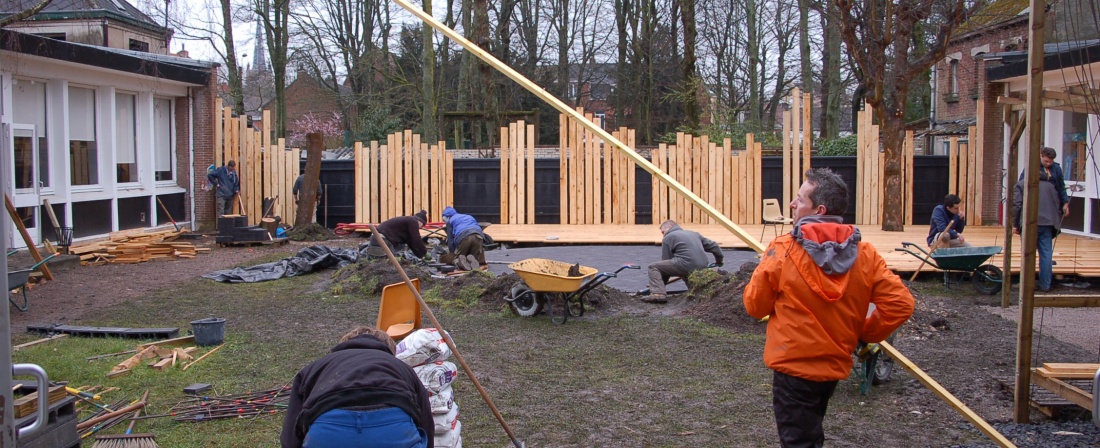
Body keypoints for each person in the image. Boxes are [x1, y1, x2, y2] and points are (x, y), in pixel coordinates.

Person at [744, 168, 914, 448]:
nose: (792, 204)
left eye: (799, 200)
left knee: (800, 440)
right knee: (810, 432)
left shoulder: (783, 249)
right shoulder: (865, 254)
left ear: (819, 210)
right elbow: (900, 303)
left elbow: (754, 306)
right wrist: (865, 333)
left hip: (793, 367)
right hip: (833, 365)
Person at [281, 326, 434, 448]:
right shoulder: (400, 366)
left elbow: (290, 436)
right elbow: (425, 421)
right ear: (388, 349)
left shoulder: (317, 366)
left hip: (328, 432)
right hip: (393, 430)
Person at [1013, 146, 1070, 292]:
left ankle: (1029, 285)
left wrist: (1065, 203)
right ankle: (1043, 284)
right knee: (1046, 253)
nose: (1048, 164)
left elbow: (1061, 188)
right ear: (1041, 156)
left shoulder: (1055, 170)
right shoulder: (1032, 169)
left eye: (1051, 161)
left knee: (1029, 253)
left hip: (1034, 220)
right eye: (1046, 161)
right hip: (1045, 219)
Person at [637, 220, 724, 304]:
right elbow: (714, 246)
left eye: (663, 232)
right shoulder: (694, 234)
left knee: (653, 267)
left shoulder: (669, 237)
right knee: (684, 271)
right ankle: (697, 291)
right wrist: (719, 260)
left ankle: (658, 294)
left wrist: (659, 286)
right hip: (703, 265)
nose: (663, 235)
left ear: (670, 226)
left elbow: (666, 264)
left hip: (686, 264)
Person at [441, 206, 484, 271]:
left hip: (464, 235)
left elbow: (450, 240)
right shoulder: (468, 216)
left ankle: (460, 263)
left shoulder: (450, 221)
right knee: (473, 257)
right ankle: (474, 264)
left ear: (448, 217)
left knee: (457, 258)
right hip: (478, 235)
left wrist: (452, 253)